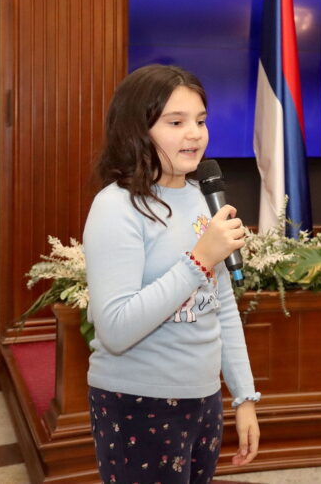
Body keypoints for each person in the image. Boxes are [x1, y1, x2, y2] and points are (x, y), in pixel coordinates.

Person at [83, 64, 261, 483]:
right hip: (137, 401)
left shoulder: (202, 198)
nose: (194, 134)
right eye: (176, 122)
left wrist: (244, 396)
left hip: (203, 399)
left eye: (200, 120)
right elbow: (116, 329)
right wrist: (198, 260)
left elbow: (221, 306)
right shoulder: (116, 207)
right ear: (137, 130)